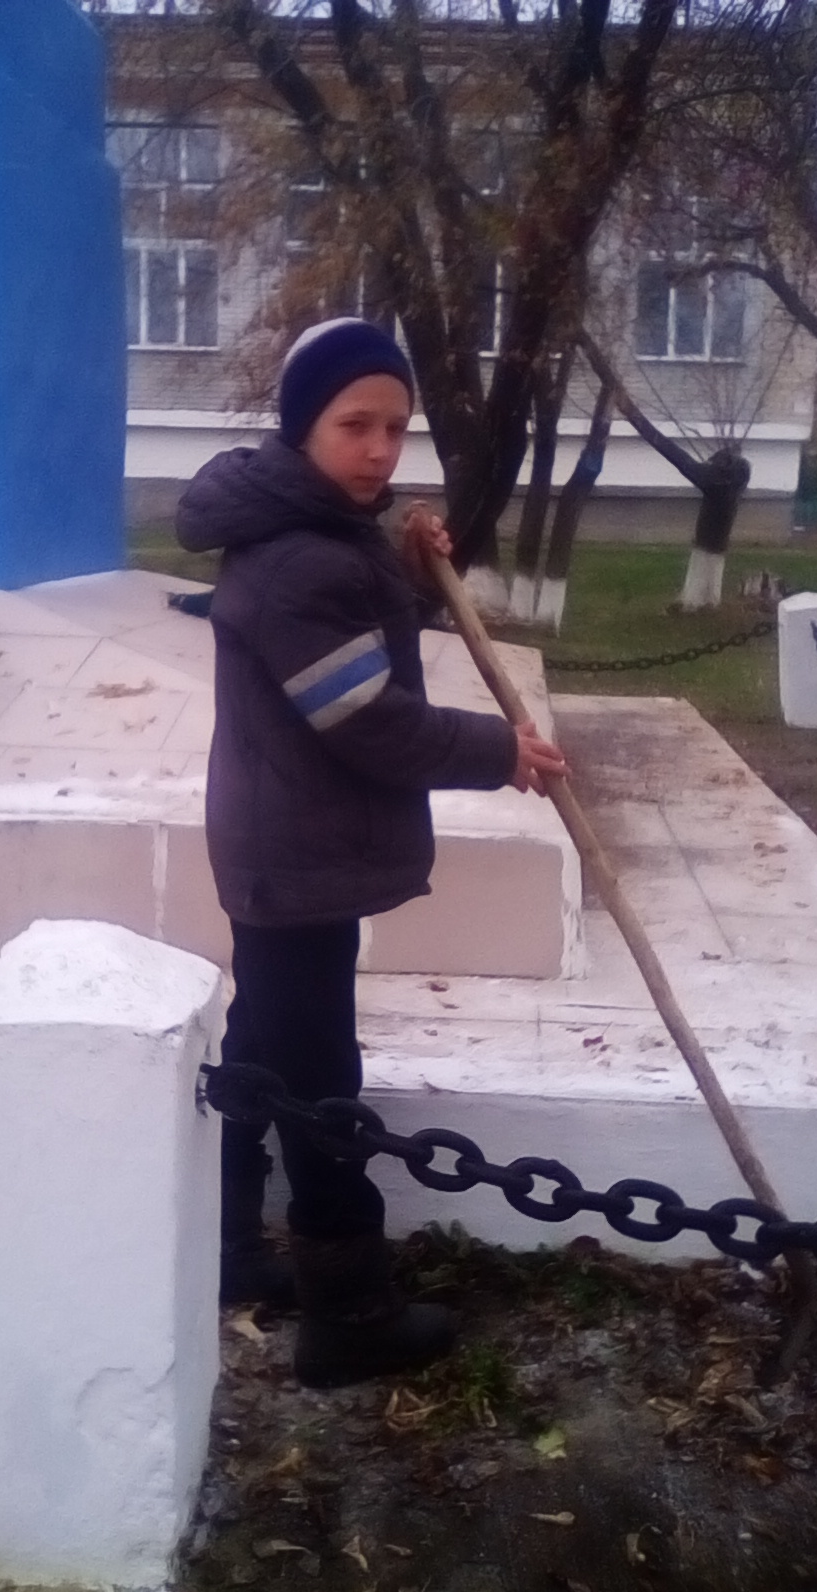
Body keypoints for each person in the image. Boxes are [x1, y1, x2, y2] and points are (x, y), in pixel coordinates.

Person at [176, 317, 568, 1387]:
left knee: (266, 1043)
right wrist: (500, 751)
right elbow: (370, 721)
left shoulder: (310, 525)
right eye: (356, 425)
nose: (381, 450)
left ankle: (228, 1245)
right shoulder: (298, 559)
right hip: (298, 853)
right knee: (319, 1081)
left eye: (396, 428)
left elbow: (354, 614)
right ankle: (346, 1312)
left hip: (285, 842)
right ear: (305, 425)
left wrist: (401, 556)